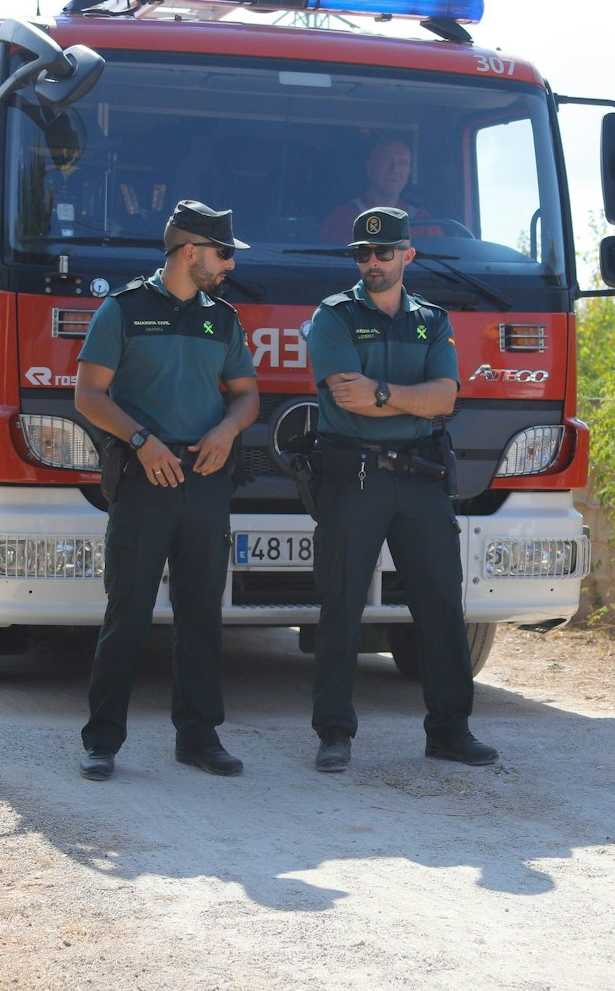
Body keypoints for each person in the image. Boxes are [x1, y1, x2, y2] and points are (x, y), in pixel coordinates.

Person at [73, 200, 259, 781]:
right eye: (223, 253)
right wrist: (141, 439)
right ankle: (102, 742)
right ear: (190, 252)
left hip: (204, 479)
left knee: (202, 611)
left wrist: (229, 430)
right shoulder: (122, 310)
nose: (229, 264)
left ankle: (199, 739)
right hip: (144, 476)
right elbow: (89, 395)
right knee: (127, 612)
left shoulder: (223, 319)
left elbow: (247, 395)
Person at [303, 206, 492, 773]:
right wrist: (410, 394)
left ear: (408, 255)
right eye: (362, 253)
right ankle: (333, 733)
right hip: (354, 480)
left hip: (420, 480)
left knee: (439, 606)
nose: (372, 263)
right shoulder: (333, 316)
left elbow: (446, 399)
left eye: (383, 253)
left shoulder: (432, 320)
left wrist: (382, 393)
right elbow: (346, 396)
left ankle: (450, 731)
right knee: (340, 606)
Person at [317, 137, 437, 241]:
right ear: (369, 167)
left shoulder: (425, 224)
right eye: (386, 160)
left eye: (403, 163)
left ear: (408, 174)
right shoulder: (340, 218)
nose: (394, 169)